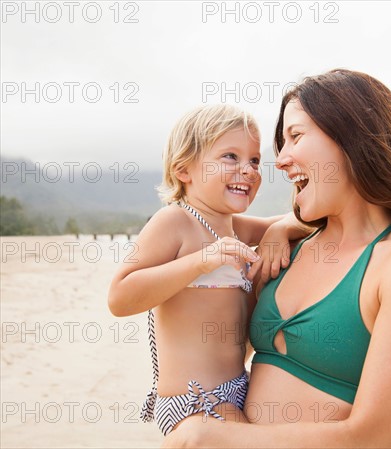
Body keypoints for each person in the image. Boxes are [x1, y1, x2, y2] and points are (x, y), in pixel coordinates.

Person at [163, 69, 391, 448]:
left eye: (295, 137)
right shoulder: (290, 250)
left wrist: (213, 438)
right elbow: (193, 225)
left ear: (351, 137)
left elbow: (376, 437)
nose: (281, 160)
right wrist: (281, 228)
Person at [107, 104, 306, 436]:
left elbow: (297, 221)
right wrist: (200, 261)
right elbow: (120, 297)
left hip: (238, 388)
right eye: (230, 156)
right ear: (184, 169)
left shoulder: (234, 227)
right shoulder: (175, 221)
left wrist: (279, 232)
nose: (248, 169)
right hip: (196, 400)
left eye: (254, 160)